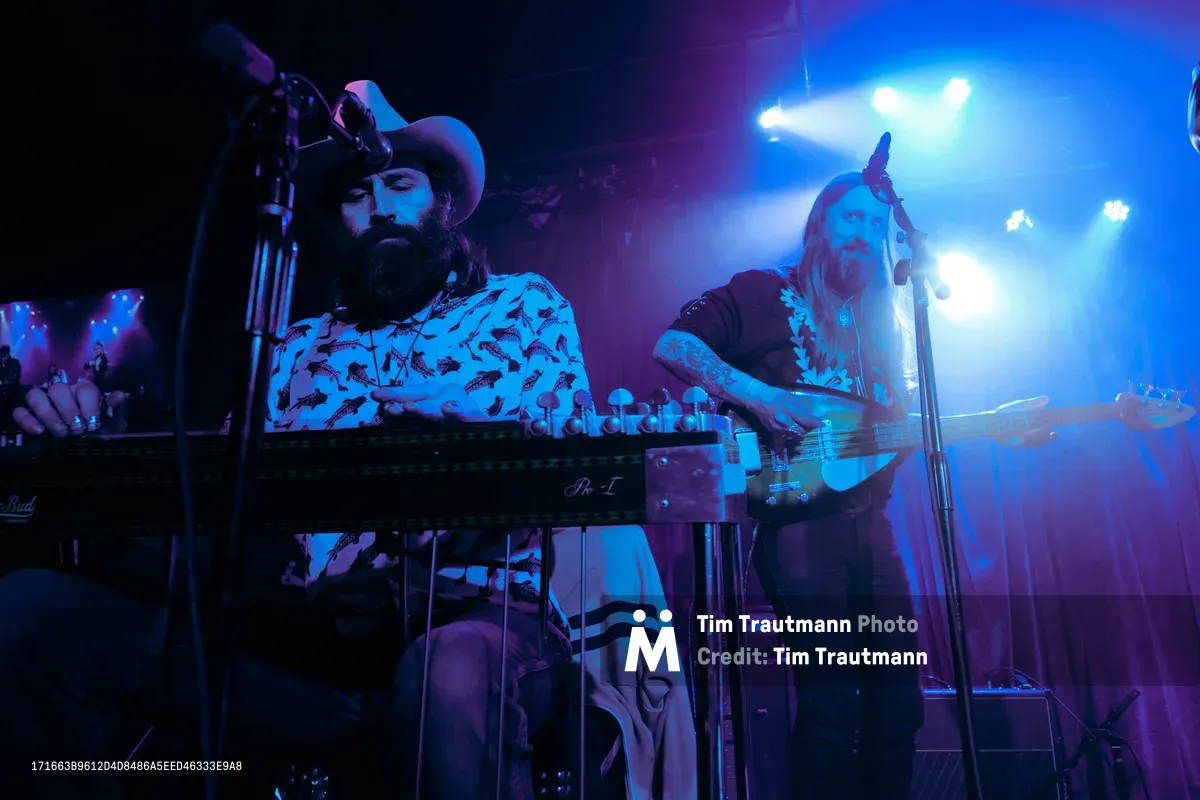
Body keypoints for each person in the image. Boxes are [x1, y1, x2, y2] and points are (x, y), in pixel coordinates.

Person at [2, 80, 588, 799]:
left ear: (441, 202)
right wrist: (89, 442)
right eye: (354, 194)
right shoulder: (291, 346)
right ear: (336, 221)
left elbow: (570, 471)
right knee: (35, 614)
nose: (379, 207)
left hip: (478, 624)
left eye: (399, 184)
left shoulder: (523, 305)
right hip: (304, 651)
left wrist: (466, 461)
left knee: (450, 672)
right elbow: (220, 510)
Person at [652, 171, 1054, 799]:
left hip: (875, 526)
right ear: (819, 228)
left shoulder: (885, 332)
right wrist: (760, 395)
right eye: (851, 219)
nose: (865, 233)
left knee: (900, 705)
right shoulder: (762, 293)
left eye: (877, 225)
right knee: (831, 701)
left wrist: (989, 427)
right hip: (799, 527)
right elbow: (674, 343)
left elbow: (886, 435)